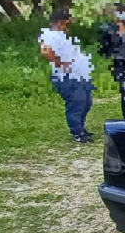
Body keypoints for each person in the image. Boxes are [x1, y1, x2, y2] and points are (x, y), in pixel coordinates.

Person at [39, 10, 95, 143]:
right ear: (60, 22)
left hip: (78, 74)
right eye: (67, 22)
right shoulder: (50, 35)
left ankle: (81, 126)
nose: (69, 25)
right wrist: (59, 63)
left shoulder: (61, 36)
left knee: (86, 102)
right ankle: (77, 132)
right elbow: (45, 51)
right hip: (66, 76)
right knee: (77, 102)